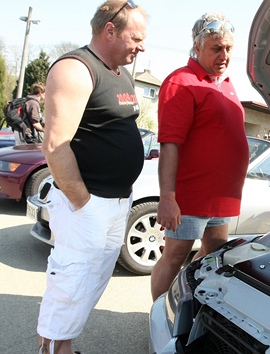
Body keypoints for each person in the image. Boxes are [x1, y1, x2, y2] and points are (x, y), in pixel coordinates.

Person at [36, 1, 147, 353]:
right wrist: (83, 203)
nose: (141, 46)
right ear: (109, 30)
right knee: (70, 282)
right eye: (136, 37)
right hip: (87, 202)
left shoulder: (120, 72)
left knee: (92, 281)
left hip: (117, 200)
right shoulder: (76, 69)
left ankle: (63, 344)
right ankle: (52, 349)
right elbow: (55, 145)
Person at [150, 12, 249, 301]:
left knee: (213, 256)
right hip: (191, 195)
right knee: (174, 257)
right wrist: (167, 197)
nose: (224, 55)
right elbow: (170, 143)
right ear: (197, 47)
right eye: (216, 48)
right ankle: (158, 316)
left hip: (222, 196)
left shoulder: (226, 84)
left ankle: (184, 303)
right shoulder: (182, 81)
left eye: (228, 48)